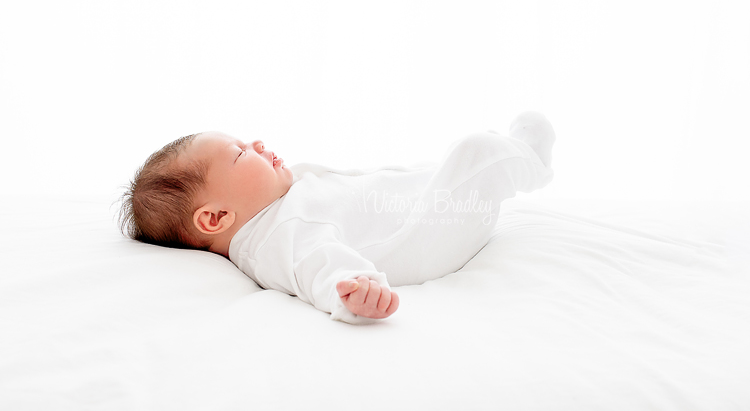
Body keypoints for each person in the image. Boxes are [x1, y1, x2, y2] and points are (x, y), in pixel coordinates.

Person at [118, 112, 556, 324]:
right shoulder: (280, 234)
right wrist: (352, 294)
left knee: (443, 167)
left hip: (415, 209)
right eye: (239, 154)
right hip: (435, 233)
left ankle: (495, 161)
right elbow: (319, 265)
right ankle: (528, 161)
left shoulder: (283, 199)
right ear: (215, 218)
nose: (255, 143)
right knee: (475, 153)